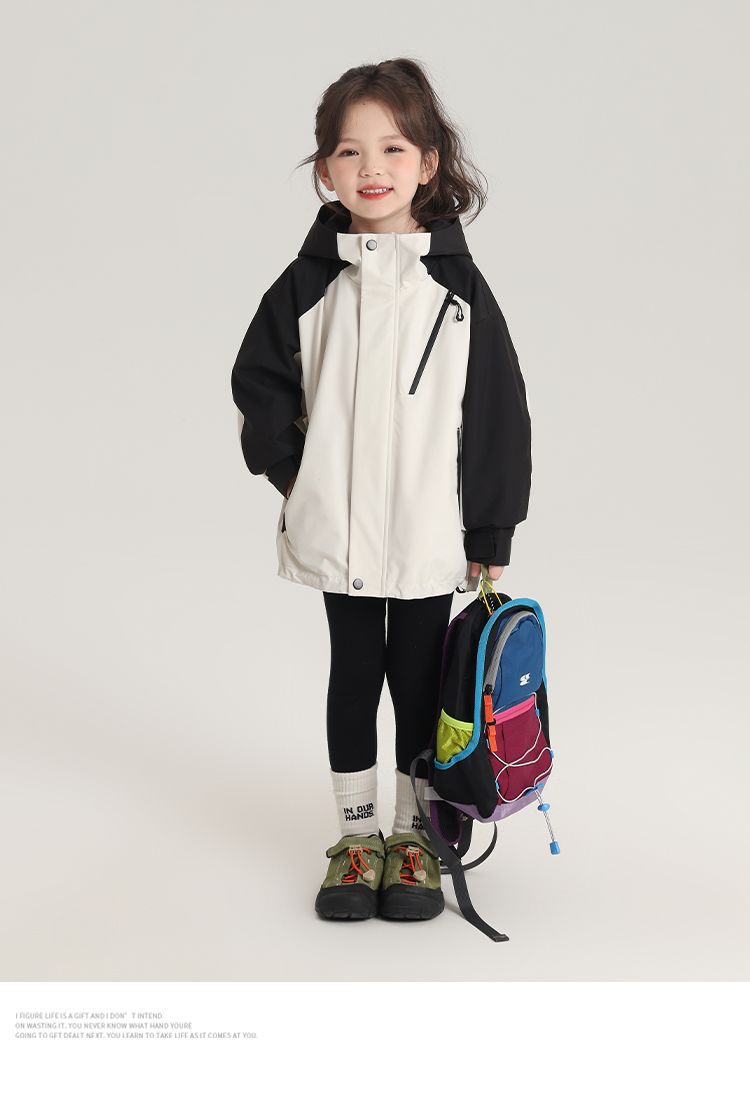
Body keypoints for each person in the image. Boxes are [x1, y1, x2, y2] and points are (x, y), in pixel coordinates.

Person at [230, 57, 532, 923]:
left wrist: (491, 530)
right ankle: (357, 837)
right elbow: (258, 384)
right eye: (349, 150)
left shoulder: (458, 288)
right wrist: (299, 477)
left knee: (421, 679)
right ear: (324, 169)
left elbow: (498, 414)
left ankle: (415, 835)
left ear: (428, 163)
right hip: (340, 529)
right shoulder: (308, 284)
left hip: (430, 529)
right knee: (354, 672)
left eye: (393, 148)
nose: (372, 168)